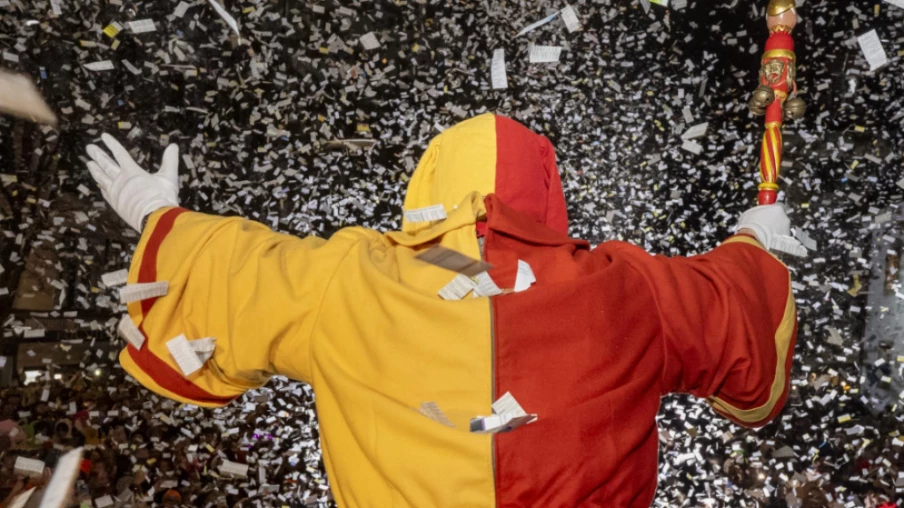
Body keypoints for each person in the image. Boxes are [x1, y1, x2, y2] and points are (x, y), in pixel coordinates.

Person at [84, 113, 804, 507]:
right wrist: (756, 241)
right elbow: (739, 326)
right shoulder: (626, 289)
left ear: (425, 183)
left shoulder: (351, 277)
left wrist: (160, 215)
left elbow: (236, 275)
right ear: (550, 195)